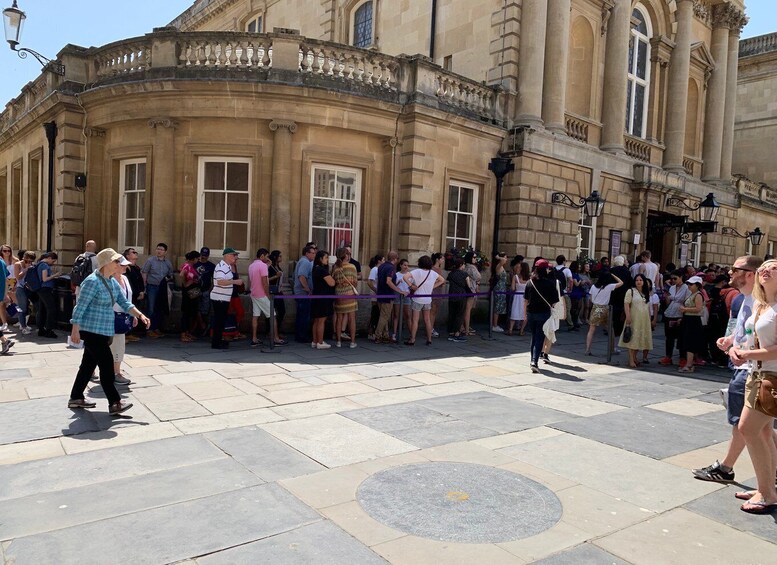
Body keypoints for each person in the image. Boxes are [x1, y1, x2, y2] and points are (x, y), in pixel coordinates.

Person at [694, 255, 765, 485]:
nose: (730, 272)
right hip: (744, 366)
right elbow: (746, 331)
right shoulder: (743, 299)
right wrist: (731, 340)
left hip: (751, 369)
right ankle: (768, 473)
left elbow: (765, 339)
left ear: (750, 274)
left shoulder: (762, 302)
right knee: (760, 427)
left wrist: (743, 353)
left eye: (735, 269)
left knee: (745, 425)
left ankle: (728, 468)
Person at [68, 248, 150, 415]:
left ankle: (76, 397)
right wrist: (75, 329)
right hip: (91, 330)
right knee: (106, 366)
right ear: (106, 263)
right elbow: (80, 307)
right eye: (116, 261)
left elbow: (124, 302)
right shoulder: (92, 281)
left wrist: (140, 315)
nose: (119, 264)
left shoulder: (111, 281)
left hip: (104, 329)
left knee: (87, 365)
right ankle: (115, 402)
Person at [729, 259, 777, 514]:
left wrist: (747, 355)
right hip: (757, 373)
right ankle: (766, 486)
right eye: (764, 268)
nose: (766, 270)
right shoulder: (762, 305)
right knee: (765, 432)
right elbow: (750, 338)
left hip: (772, 376)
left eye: (774, 267)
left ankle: (767, 493)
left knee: (748, 428)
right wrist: (736, 347)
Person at [524, 259, 559, 373]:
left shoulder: (530, 282)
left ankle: (532, 360)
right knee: (539, 337)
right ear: (545, 270)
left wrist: (524, 314)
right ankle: (534, 361)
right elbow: (554, 302)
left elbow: (525, 300)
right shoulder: (549, 284)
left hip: (530, 313)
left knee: (534, 336)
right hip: (543, 314)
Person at [403, 255, 445, 345]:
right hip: (428, 299)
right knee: (427, 320)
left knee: (415, 320)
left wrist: (411, 285)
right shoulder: (432, 273)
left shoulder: (417, 271)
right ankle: (429, 339)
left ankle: (413, 339)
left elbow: (405, 277)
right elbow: (442, 280)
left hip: (417, 298)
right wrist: (432, 286)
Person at [248, 248, 286, 347]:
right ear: (262, 256)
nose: (268, 258)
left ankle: (254, 338)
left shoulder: (251, 265)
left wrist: (267, 265)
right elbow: (265, 282)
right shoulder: (263, 266)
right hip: (262, 294)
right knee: (273, 316)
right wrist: (268, 295)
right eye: (267, 256)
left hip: (253, 293)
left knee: (255, 316)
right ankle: (276, 338)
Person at [108, 257, 135, 386]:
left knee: (119, 344)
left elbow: (127, 299)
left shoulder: (125, 278)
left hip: (122, 317)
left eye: (126, 265)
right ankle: (115, 373)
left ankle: (115, 371)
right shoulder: (109, 280)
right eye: (122, 265)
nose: (125, 267)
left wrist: (133, 315)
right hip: (110, 316)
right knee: (110, 345)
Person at [210, 248, 244, 349]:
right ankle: (216, 343)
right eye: (234, 255)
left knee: (221, 320)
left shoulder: (227, 266)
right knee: (219, 321)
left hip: (223, 298)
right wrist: (235, 282)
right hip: (219, 298)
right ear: (228, 256)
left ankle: (218, 341)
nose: (236, 257)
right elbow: (220, 282)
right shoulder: (221, 267)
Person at [584, 270, 624, 355]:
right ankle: (613, 348)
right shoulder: (609, 286)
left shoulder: (593, 287)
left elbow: (591, 299)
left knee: (591, 330)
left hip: (595, 308)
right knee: (610, 329)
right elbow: (621, 283)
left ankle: (588, 349)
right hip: (605, 309)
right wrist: (613, 275)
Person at [620, 273, 653, 368]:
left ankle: (635, 357)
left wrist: (650, 319)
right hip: (634, 318)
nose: (638, 282)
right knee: (632, 338)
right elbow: (626, 304)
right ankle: (631, 359)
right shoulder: (631, 291)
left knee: (639, 338)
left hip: (644, 320)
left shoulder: (645, 293)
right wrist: (628, 316)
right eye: (637, 280)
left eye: (640, 280)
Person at [141, 243, 173, 337]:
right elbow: (144, 272)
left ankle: (156, 328)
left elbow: (171, 274)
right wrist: (144, 286)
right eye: (158, 249)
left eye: (161, 249)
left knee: (160, 309)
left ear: (165, 252)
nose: (159, 251)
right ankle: (149, 329)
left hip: (163, 288)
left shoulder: (168, 263)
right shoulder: (150, 260)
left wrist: (168, 279)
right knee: (151, 308)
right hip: (152, 287)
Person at [660, 269, 691, 366]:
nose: (673, 280)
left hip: (680, 313)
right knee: (669, 337)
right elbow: (669, 301)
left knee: (681, 337)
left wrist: (683, 315)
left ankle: (682, 358)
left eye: (675, 278)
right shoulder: (672, 288)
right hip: (670, 312)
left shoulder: (686, 288)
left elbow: (687, 302)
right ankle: (668, 356)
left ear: (681, 277)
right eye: (671, 278)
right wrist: (666, 298)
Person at [677, 276, 706, 373]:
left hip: (693, 320)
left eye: (691, 284)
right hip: (688, 319)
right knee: (687, 342)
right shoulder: (692, 294)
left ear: (697, 285)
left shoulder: (698, 295)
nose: (689, 286)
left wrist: (685, 309)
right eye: (688, 284)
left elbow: (698, 308)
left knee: (690, 343)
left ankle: (689, 364)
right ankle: (689, 363)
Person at [332, 247, 359, 348]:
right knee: (351, 319)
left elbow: (333, 281)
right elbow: (355, 282)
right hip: (349, 295)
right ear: (346, 255)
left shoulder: (335, 267)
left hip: (339, 294)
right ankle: (352, 342)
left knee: (339, 318)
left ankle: (338, 341)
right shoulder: (352, 267)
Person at [375, 252, 402, 343]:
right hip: (388, 294)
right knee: (384, 316)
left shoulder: (381, 266)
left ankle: (385, 335)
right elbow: (388, 281)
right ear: (395, 259)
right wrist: (399, 290)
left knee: (383, 316)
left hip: (380, 293)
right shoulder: (391, 268)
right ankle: (378, 335)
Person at [311, 250, 336, 349]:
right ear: (320, 259)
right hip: (323, 297)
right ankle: (320, 342)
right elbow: (332, 283)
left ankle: (315, 340)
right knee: (321, 320)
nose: (327, 260)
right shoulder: (321, 270)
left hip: (317, 296)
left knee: (316, 320)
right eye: (326, 258)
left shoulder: (315, 269)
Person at [36, 252, 63, 338]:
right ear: (50, 258)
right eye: (53, 261)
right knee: (51, 309)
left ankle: (41, 329)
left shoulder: (39, 264)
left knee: (42, 309)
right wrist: (55, 275)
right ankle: (49, 330)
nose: (53, 263)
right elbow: (44, 279)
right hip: (45, 289)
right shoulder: (44, 265)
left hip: (40, 289)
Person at [293, 244, 316, 343]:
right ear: (307, 253)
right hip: (303, 293)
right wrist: (307, 289)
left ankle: (300, 335)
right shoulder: (305, 262)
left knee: (301, 315)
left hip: (300, 293)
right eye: (313, 253)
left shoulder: (302, 261)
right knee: (304, 316)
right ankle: (302, 336)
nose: (314, 255)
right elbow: (301, 276)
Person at [609, 255, 633, 347]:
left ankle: (613, 328)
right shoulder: (626, 271)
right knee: (622, 312)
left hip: (613, 293)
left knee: (614, 313)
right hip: (624, 294)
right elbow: (630, 283)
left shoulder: (612, 270)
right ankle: (619, 330)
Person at [122, 248, 145, 342]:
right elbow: (128, 283)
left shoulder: (136, 267)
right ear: (127, 256)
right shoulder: (126, 268)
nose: (136, 253)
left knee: (134, 314)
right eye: (133, 252)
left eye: (136, 252)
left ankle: (130, 333)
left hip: (138, 294)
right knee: (128, 314)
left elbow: (140, 281)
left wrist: (142, 291)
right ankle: (126, 334)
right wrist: (136, 293)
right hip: (131, 295)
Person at [180, 250, 201, 343]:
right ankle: (183, 333)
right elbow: (181, 275)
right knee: (186, 313)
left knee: (190, 313)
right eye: (197, 258)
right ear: (194, 258)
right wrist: (186, 284)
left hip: (192, 293)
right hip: (188, 293)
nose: (198, 260)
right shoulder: (187, 266)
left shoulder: (191, 266)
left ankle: (187, 332)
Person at [446, 258, 470, 342]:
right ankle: (456, 333)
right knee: (459, 315)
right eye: (463, 264)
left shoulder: (451, 274)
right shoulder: (464, 274)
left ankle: (451, 332)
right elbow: (468, 285)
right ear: (460, 265)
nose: (464, 266)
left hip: (452, 295)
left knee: (452, 314)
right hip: (461, 295)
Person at [12, 251, 35, 335]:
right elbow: (18, 277)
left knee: (28, 307)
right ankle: (23, 327)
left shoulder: (32, 265)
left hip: (30, 288)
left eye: (30, 261)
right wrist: (26, 269)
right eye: (26, 261)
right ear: (23, 258)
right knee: (22, 308)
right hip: (21, 287)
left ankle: (24, 324)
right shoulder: (18, 264)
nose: (28, 263)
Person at [195, 247, 215, 333]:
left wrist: (210, 290)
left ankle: (204, 327)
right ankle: (199, 326)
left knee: (205, 310)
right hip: (195, 290)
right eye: (202, 255)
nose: (203, 257)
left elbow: (214, 280)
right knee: (196, 309)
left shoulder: (211, 266)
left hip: (206, 290)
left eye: (205, 256)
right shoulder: (195, 264)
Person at [507, 261, 530, 336]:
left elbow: (513, 288)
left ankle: (510, 330)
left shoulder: (515, 277)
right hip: (525, 297)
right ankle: (521, 330)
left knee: (514, 312)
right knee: (524, 314)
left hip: (517, 296)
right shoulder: (529, 279)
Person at [553, 255, 575, 331]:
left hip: (555, 292)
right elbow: (571, 280)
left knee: (555, 308)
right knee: (567, 308)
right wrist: (570, 289)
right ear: (563, 261)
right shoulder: (566, 270)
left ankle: (555, 324)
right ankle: (570, 324)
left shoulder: (553, 269)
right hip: (564, 292)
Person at [268, 250, 286, 336]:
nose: (281, 258)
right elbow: (266, 279)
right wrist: (276, 276)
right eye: (280, 256)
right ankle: (271, 331)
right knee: (272, 311)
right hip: (273, 291)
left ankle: (276, 330)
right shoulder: (270, 267)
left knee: (282, 311)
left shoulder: (277, 266)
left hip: (279, 291)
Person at [392, 258, 412, 341]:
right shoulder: (396, 274)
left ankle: (411, 334)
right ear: (400, 265)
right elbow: (393, 285)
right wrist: (398, 283)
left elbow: (412, 285)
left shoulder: (410, 275)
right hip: (398, 294)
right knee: (396, 315)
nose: (406, 267)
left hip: (407, 295)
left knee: (407, 315)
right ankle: (394, 333)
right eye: (404, 265)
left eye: (407, 265)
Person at [366, 254, 385, 340]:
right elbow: (369, 282)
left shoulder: (381, 269)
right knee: (375, 311)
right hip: (375, 293)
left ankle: (375, 330)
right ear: (379, 261)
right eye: (383, 260)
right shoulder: (375, 269)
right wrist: (376, 290)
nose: (384, 261)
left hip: (379, 293)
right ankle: (371, 331)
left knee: (378, 312)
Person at [463, 251, 481, 336]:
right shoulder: (471, 267)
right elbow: (478, 277)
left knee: (465, 309)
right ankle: (466, 329)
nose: (475, 259)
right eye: (474, 257)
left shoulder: (465, 266)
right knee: (468, 310)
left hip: (466, 289)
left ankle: (464, 327)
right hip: (470, 289)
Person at [491, 252, 509, 332]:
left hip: (502, 288)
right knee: (497, 308)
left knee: (499, 307)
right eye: (505, 257)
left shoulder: (501, 267)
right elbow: (502, 261)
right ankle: (494, 325)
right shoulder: (499, 266)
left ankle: (495, 324)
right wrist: (498, 257)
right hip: (499, 288)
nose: (506, 259)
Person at [429, 252, 445, 338]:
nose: (443, 260)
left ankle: (431, 327)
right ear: (437, 259)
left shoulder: (439, 269)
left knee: (435, 311)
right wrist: (440, 282)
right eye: (442, 259)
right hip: (433, 291)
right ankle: (430, 329)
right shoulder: (432, 269)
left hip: (438, 291)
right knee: (432, 311)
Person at [0, 244, 14, 330]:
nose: (7, 252)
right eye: (5, 251)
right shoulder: (1, 260)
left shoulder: (14, 260)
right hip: (5, 283)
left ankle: (21, 320)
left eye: (8, 251)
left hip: (13, 282)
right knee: (2, 305)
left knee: (14, 303)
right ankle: (4, 323)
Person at [568, 260, 583, 331]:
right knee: (574, 308)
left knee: (578, 307)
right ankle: (574, 323)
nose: (579, 268)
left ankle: (576, 321)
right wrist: (580, 281)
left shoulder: (576, 274)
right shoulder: (573, 274)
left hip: (578, 292)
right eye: (578, 267)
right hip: (574, 292)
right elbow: (576, 283)